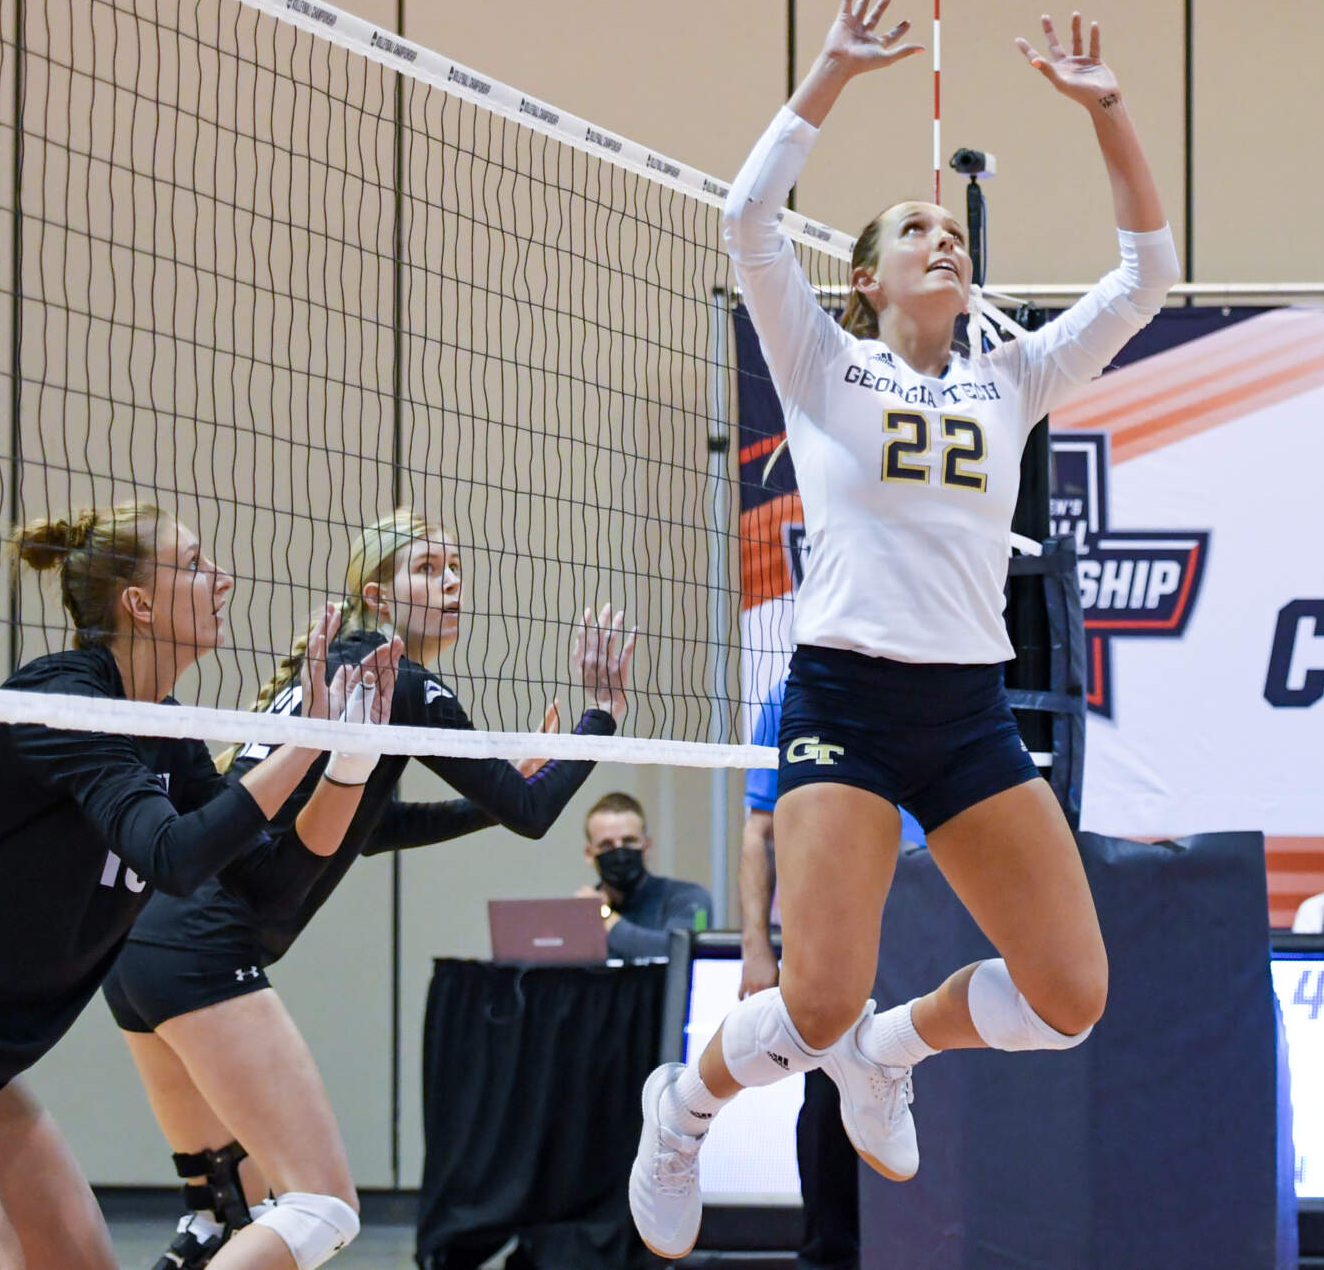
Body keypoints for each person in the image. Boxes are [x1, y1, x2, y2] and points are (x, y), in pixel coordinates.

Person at [631, 0, 1178, 1259]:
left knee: (1068, 999)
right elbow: (746, 218)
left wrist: (1107, 112)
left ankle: (893, 1049)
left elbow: (1150, 274)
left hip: (966, 708)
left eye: (954, 228)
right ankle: (685, 1108)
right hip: (847, 703)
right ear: (868, 276)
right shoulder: (824, 361)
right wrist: (827, 72)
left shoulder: (1015, 372)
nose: (946, 239)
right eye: (916, 230)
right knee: (808, 1004)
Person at [0, 502, 375, 1270]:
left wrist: (346, 760)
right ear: (139, 603)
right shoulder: (62, 700)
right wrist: (300, 747)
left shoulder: (162, 724)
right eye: (194, 565)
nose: (223, 579)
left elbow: (265, 887)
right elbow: (172, 856)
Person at [105, 510, 635, 1270]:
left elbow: (368, 827)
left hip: (143, 945)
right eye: (426, 568)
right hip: (200, 953)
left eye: (454, 566)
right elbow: (532, 812)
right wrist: (602, 717)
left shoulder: (339, 673)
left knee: (224, 1212)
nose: (450, 581)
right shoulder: (400, 682)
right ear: (378, 598)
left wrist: (486, 805)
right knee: (321, 1210)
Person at [741, 684, 925, 1270]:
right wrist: (755, 945)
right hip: (834, 920)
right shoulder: (794, 692)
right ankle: (828, 1255)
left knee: (924, 1093)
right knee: (827, 1098)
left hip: (927, 917)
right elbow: (759, 830)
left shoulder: (944, 679)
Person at [578, 792, 711, 959]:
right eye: (606, 845)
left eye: (629, 841)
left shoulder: (688, 898)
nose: (619, 852)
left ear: (647, 846)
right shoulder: (581, 912)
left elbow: (678, 953)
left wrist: (604, 916)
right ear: (589, 854)